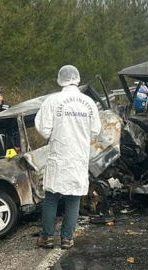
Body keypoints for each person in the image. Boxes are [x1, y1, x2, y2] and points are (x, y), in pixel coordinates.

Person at [35, 65, 102, 249]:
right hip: (78, 157)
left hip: (59, 155)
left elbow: (43, 129)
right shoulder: (88, 103)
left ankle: (47, 237)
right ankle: (67, 238)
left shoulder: (52, 101)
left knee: (52, 198)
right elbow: (95, 130)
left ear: (60, 79)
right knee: (73, 198)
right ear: (77, 78)